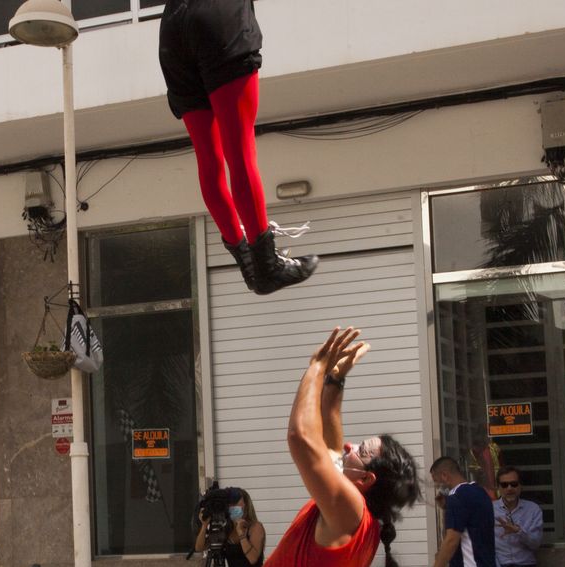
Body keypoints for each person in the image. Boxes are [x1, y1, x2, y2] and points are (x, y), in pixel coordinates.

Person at [158, 0, 317, 295]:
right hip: (218, 18)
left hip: (172, 30)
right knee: (239, 152)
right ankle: (268, 267)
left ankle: (248, 263)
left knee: (209, 161)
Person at [264, 327, 421, 567]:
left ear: (366, 479)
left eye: (361, 450)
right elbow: (330, 444)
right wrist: (336, 378)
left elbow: (301, 438)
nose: (350, 445)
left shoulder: (350, 508)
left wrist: (317, 367)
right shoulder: (357, 514)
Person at [431, 456, 495, 567]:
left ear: (444, 476)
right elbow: (472, 522)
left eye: (436, 481)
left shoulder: (456, 497)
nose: (437, 487)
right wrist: (447, 507)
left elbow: (451, 540)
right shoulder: (480, 492)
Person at [195, 487, 265, 566]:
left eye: (235, 503)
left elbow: (253, 559)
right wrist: (204, 525)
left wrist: (241, 535)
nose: (231, 506)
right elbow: (199, 548)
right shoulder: (227, 528)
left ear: (246, 505)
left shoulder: (255, 527)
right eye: (229, 503)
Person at [492, 466, 542, 567]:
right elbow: (484, 544)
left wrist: (518, 531)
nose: (509, 488)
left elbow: (536, 544)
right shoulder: (489, 510)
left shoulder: (533, 509)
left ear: (520, 486)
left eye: (514, 484)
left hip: (526, 564)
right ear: (498, 487)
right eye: (504, 485)